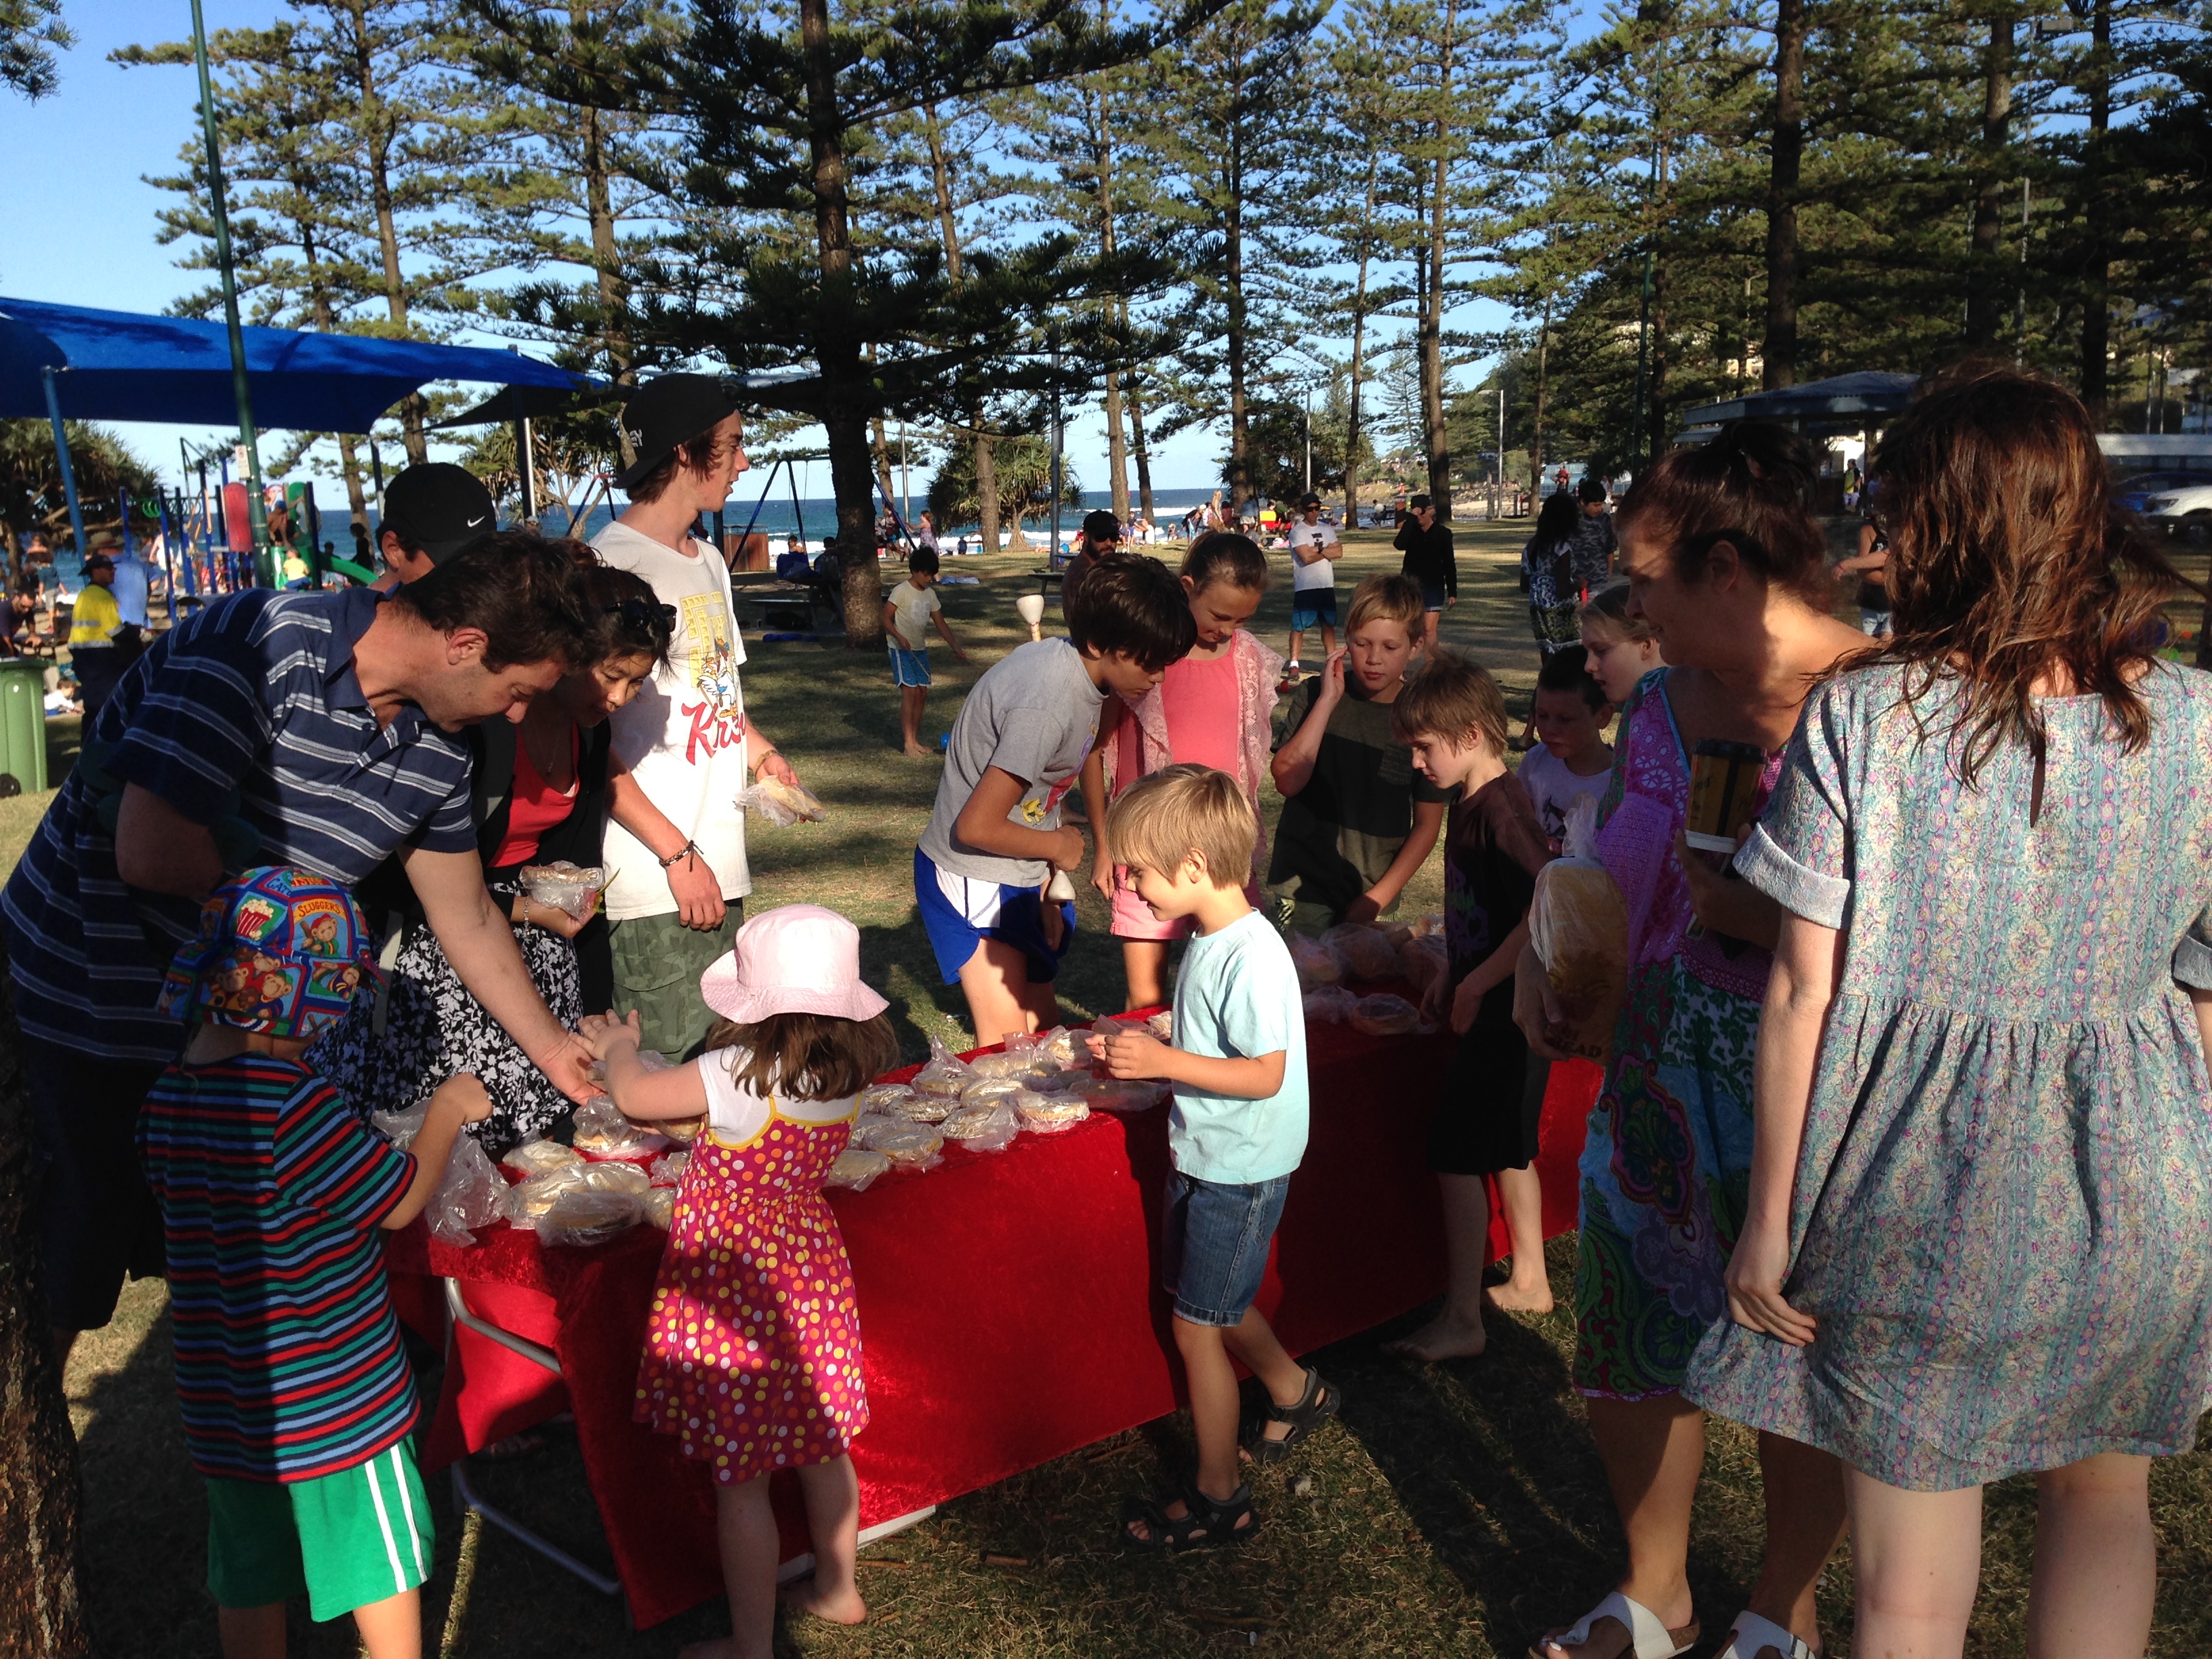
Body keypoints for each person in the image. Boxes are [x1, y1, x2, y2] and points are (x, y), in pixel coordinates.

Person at [1685, 368, 2212, 1659]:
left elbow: (1800, 988)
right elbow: (2202, 978)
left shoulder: (1863, 721)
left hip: (1907, 1185)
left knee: (1906, 1592)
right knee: (2102, 1496)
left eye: (1895, 508)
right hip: (2135, 1188)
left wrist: (1766, 1225)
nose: (1877, 538)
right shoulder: (2193, 721)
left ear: (1951, 526)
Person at [2, 537, 600, 1356]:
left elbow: (465, 916)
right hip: (88, 1003)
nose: (520, 714)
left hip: (225, 1038)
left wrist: (555, 1050)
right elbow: (151, 849)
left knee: (223, 1265)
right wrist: (312, 934)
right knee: (66, 1270)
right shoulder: (257, 647)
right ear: (466, 646)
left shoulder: (439, 749)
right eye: (519, 690)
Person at [1513, 421, 1865, 1659]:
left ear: (1728, 571)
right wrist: (1557, 961)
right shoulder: (1660, 702)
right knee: (1625, 1325)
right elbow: (1617, 860)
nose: (1625, 600)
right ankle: (1652, 1593)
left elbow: (1939, 931)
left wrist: (1758, 913)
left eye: (1645, 573)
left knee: (1795, 1352)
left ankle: (1780, 1608)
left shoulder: (1883, 702)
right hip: (1660, 1061)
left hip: (1821, 1084)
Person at [138, 868, 493, 1659]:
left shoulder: (167, 1098)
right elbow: (397, 1200)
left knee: (249, 1567)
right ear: (293, 1003)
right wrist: (446, 1112)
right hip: (339, 1403)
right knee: (378, 1560)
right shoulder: (290, 1105)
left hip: (227, 1407)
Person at [577, 906, 897, 1658]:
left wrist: (622, 1048)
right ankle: (838, 1587)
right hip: (808, 1268)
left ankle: (750, 1646)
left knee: (742, 1480)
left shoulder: (732, 1074)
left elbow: (634, 1099)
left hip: (735, 1287)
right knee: (823, 1446)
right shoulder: (846, 1073)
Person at [310, 546, 698, 1153]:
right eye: (610, 675)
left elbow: (527, 891)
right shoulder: (466, 726)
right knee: (444, 1138)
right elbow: (414, 892)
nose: (620, 699)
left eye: (636, 683)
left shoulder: (572, 733)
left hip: (527, 960)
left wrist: (573, 1023)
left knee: (533, 1147)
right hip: (428, 966)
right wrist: (524, 909)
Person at [1097, 764, 1333, 1552]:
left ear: (1193, 866)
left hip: (1240, 1165)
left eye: (1138, 871)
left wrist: (1166, 1065)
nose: (1130, 884)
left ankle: (1220, 1497)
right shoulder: (1207, 935)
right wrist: (1164, 1037)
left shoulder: (1253, 953)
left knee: (1197, 1325)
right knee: (1214, 1301)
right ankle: (1296, 1392)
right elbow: (1216, 1037)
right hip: (1204, 1152)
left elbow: (1264, 1073)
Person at [592, 374, 806, 1061]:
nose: (744, 462)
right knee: (669, 1075)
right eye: (734, 446)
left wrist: (762, 754)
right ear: (686, 453)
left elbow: (717, 693)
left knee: (722, 1067)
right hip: (660, 879)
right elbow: (586, 742)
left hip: (721, 867)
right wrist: (677, 854)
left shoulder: (709, 559)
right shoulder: (610, 566)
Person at [916, 554, 1195, 1046]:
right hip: (974, 874)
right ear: (1099, 643)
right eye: (1150, 663)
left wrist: (1064, 864)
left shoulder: (1088, 679)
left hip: (1021, 870)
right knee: (1008, 1049)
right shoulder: (1046, 704)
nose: (1159, 678)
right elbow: (975, 826)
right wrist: (1058, 849)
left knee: (1045, 1037)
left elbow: (1063, 773)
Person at [1376, 653, 1556, 1365]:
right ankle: (1533, 1279)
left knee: (1457, 1154)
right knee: (1509, 1146)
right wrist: (1454, 965)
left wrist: (1479, 985)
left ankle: (1462, 1318)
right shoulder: (1474, 800)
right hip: (1496, 1001)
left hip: (1508, 1014)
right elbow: (1486, 906)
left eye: (1425, 746)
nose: (1418, 760)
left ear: (1475, 733)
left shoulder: (1505, 812)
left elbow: (1543, 904)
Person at [1084, 533, 1282, 1010]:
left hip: (1218, 850)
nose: (1229, 629)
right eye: (1219, 615)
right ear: (1187, 587)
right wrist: (1104, 842)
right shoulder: (1145, 656)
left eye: (1242, 619)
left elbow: (1248, 754)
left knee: (1225, 991)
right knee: (1146, 996)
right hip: (1146, 849)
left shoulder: (1248, 658)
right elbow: (1094, 750)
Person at [1266, 573, 1450, 934]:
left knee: (1370, 987)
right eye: (1362, 644)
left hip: (1375, 895)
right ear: (1345, 639)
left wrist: (1376, 900)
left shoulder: (1425, 717)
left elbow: (1428, 826)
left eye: (1390, 647)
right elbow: (1287, 780)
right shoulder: (1317, 693)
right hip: (1302, 889)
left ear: (1414, 647)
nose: (1373, 659)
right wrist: (1327, 702)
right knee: (1300, 987)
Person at [1517, 646, 1616, 851]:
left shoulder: (1621, 781)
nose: (1550, 729)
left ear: (1603, 716)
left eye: (1565, 719)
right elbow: (1522, 824)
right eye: (1542, 716)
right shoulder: (1536, 762)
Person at [883, 545, 970, 757]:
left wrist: (956, 648)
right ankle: (908, 744)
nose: (929, 578)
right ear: (914, 571)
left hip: (919, 649)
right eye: (926, 574)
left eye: (932, 574)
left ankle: (915, 740)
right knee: (910, 692)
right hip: (900, 649)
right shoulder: (901, 591)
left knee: (922, 693)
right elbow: (885, 618)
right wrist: (899, 637)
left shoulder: (930, 595)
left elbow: (941, 624)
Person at [369, 464, 500, 590]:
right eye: (453, 570)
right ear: (394, 550)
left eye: (487, 564)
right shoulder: (354, 612)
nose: (476, 583)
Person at [1578, 581, 1665, 707]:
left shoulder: (1684, 713)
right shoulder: (1637, 711)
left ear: (1646, 646)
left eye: (1601, 650)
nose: (1588, 666)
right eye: (1588, 652)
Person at [1284, 493, 1341, 681]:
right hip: (1306, 587)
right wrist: (1326, 551)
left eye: (1317, 508)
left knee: (1328, 625)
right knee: (1299, 626)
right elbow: (1305, 558)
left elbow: (1339, 552)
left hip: (1326, 585)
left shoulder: (1327, 529)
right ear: (1303, 510)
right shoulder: (1297, 532)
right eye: (1310, 509)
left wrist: (1318, 550)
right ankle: (1294, 663)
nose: (1314, 512)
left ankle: (1331, 661)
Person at [1520, 491, 1584, 660]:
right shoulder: (1561, 549)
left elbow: (1524, 585)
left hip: (1538, 609)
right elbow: (1562, 590)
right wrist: (1579, 585)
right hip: (1561, 612)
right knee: (1569, 655)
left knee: (1547, 651)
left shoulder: (1531, 546)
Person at [1393, 493, 1458, 656]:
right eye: (1415, 512)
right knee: (1408, 628)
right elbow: (1399, 545)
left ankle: (1431, 668)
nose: (1419, 516)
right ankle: (1402, 668)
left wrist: (1452, 591)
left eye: (1422, 512)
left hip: (1433, 586)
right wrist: (1410, 521)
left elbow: (1449, 563)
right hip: (1410, 586)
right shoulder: (1411, 531)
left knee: (1429, 630)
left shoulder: (1443, 533)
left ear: (1431, 511)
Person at [64, 550, 126, 720]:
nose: (113, 571)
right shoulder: (102, 597)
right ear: (96, 571)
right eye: (108, 568)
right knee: (109, 704)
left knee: (93, 707)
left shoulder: (85, 595)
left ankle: (90, 742)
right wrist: (134, 633)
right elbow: (116, 631)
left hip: (82, 655)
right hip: (101, 658)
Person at [1837, 500, 1891, 636]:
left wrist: (1850, 563)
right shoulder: (1868, 531)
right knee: (1870, 647)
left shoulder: (1907, 532)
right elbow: (1864, 572)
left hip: (1895, 605)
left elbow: (1890, 555)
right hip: (1871, 602)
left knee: (1887, 642)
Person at [1060, 508, 1122, 615]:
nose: (1109, 543)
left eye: (1113, 537)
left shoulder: (1096, 568)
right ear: (1086, 537)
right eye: (1101, 537)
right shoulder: (1083, 573)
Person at [1573, 476, 1617, 586]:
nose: (1599, 509)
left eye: (1601, 505)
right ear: (1583, 502)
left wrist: (1609, 573)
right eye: (1596, 505)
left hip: (1600, 579)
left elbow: (1610, 549)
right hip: (1575, 582)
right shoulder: (1571, 520)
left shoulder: (1604, 520)